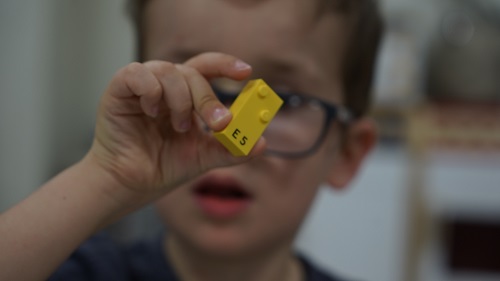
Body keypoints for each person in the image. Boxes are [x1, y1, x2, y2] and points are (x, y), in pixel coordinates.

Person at [0, 0, 383, 280]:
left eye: (281, 100)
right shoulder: (81, 272)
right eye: (187, 84)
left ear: (347, 153)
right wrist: (104, 178)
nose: (225, 128)